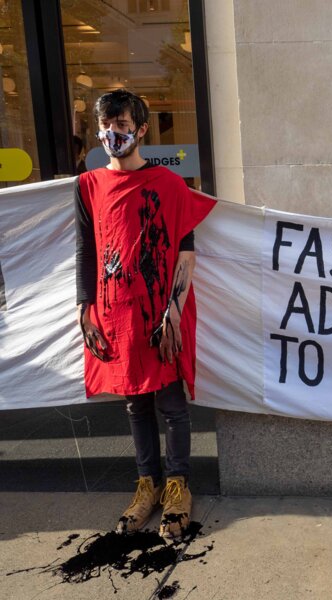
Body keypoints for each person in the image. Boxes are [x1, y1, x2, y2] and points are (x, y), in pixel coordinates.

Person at [74, 89, 215, 538]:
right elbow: (86, 251)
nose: (114, 133)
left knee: (171, 405)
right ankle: (146, 485)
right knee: (135, 404)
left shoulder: (170, 186)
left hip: (159, 314)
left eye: (122, 124)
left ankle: (178, 487)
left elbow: (186, 253)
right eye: (107, 125)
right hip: (115, 314)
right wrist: (85, 310)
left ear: (141, 129)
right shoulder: (88, 186)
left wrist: (173, 310)